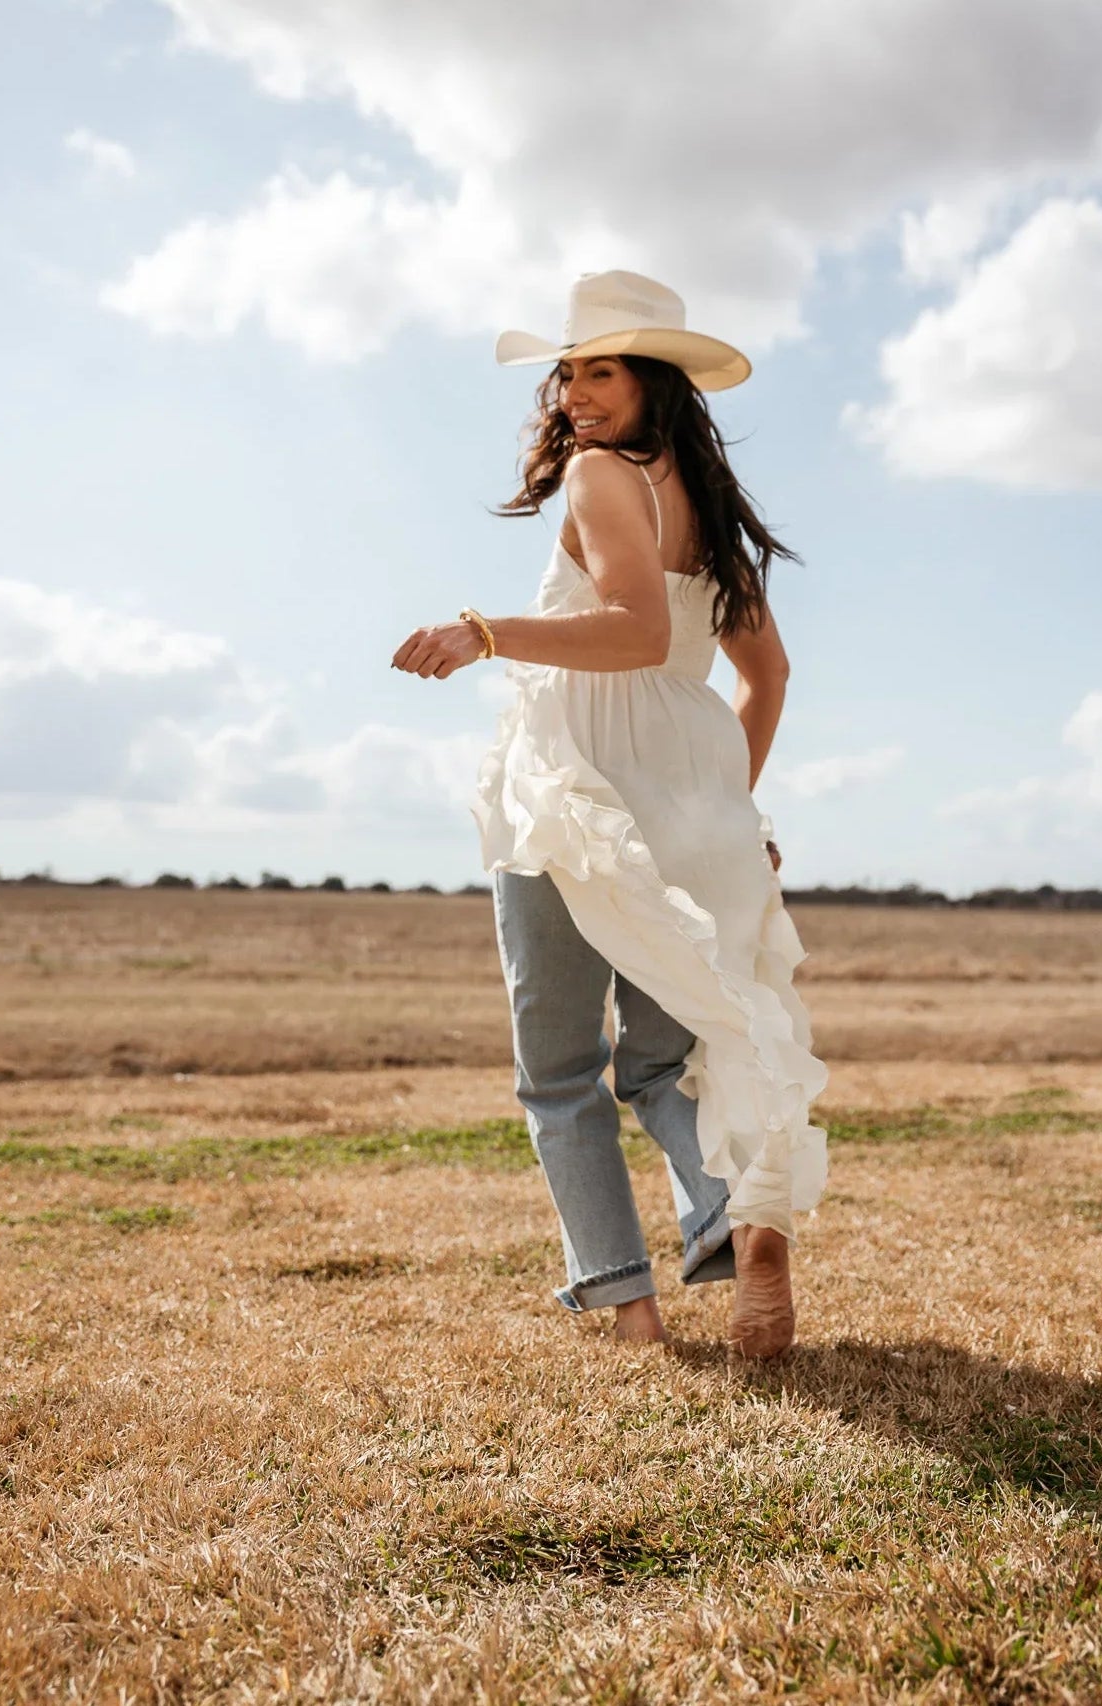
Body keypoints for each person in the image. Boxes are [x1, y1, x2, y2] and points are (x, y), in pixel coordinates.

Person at [392, 270, 826, 1356]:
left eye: (603, 370)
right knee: (660, 1062)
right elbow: (767, 677)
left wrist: (485, 632)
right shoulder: (713, 512)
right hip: (693, 798)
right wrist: (734, 801)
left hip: (575, 789)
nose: (577, 395)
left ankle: (629, 1307)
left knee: (560, 1068)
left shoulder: (597, 474)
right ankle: (735, 1213)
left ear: (655, 381)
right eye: (569, 371)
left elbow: (633, 627)